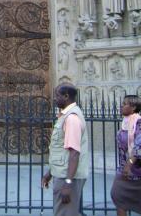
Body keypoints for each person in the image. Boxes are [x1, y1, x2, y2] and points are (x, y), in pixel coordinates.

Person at [42, 84, 89, 216]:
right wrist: (50, 173)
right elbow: (63, 151)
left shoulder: (72, 118)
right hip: (62, 173)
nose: (55, 99)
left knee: (64, 213)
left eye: (57, 95)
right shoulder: (65, 116)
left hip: (67, 177)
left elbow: (74, 153)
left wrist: (68, 183)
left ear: (66, 96)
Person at [111, 95, 141, 216]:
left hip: (137, 171)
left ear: (134, 107)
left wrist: (129, 164)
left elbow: (140, 145)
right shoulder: (125, 122)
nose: (121, 105)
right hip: (123, 170)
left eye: (125, 104)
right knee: (117, 196)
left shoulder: (139, 122)